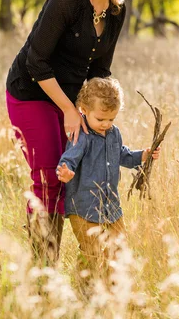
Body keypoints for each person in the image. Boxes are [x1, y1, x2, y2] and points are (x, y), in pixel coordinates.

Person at [5, 0, 141, 263]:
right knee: (49, 179)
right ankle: (42, 272)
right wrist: (69, 109)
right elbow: (36, 60)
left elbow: (100, 69)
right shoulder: (66, 0)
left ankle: (91, 266)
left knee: (73, 177)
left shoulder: (116, 11)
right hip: (31, 93)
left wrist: (95, 114)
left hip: (70, 101)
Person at [56, 77, 160, 283]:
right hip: (84, 207)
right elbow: (69, 158)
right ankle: (84, 288)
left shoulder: (114, 134)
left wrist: (143, 155)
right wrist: (66, 171)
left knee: (118, 244)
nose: (106, 124)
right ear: (83, 110)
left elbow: (121, 154)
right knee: (91, 251)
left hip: (110, 205)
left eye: (111, 119)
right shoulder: (82, 135)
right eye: (100, 119)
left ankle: (112, 286)